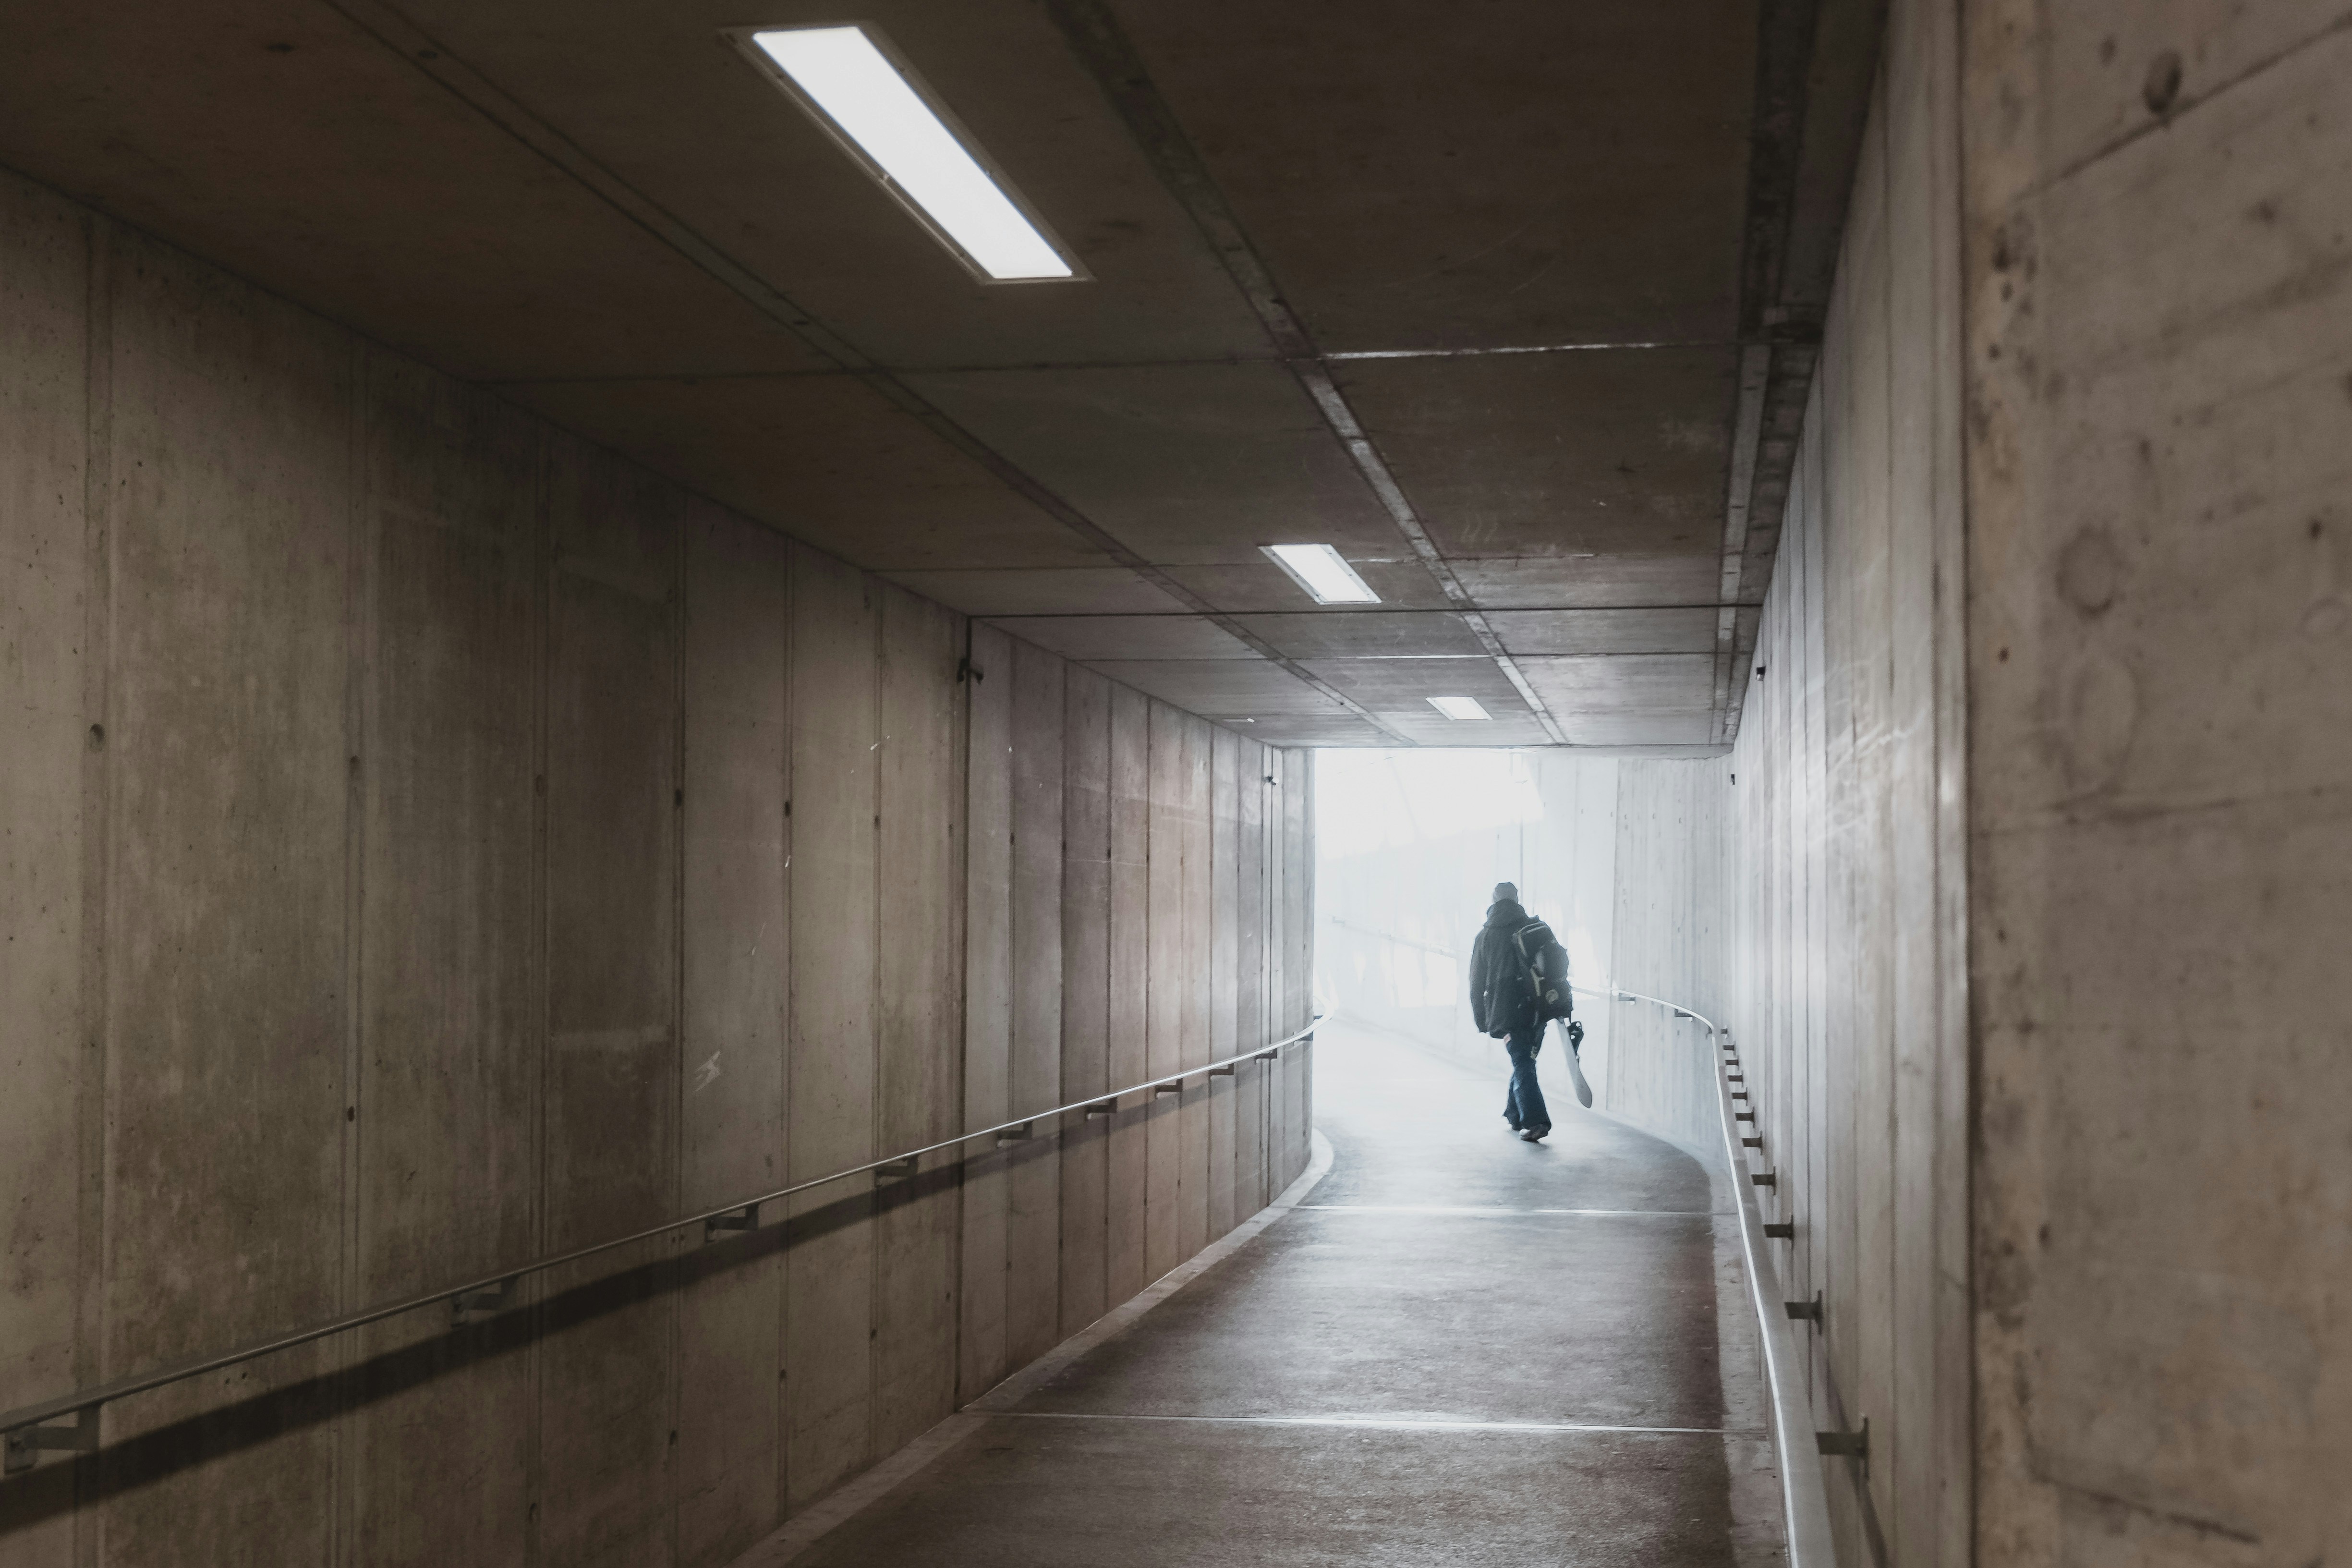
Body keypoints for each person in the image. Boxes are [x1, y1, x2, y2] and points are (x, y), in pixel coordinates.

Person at [1469, 882, 1585, 1141]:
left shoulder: (1485, 936)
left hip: (1508, 1010)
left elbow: (1476, 983)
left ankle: (1535, 1122)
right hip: (1540, 1007)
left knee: (1522, 1062)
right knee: (1525, 1060)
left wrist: (1482, 1021)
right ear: (1517, 898)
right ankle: (1515, 1115)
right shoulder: (1537, 929)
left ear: (1493, 900)